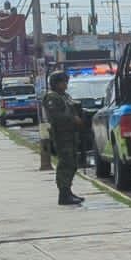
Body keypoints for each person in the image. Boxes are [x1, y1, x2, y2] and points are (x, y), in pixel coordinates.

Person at [41, 71, 85, 206]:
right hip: (62, 135)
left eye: (66, 82)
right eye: (63, 82)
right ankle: (64, 194)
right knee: (65, 163)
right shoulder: (52, 98)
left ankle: (68, 191)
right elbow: (57, 117)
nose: (65, 85)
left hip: (70, 135)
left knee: (72, 163)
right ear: (56, 83)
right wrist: (73, 119)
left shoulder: (64, 96)